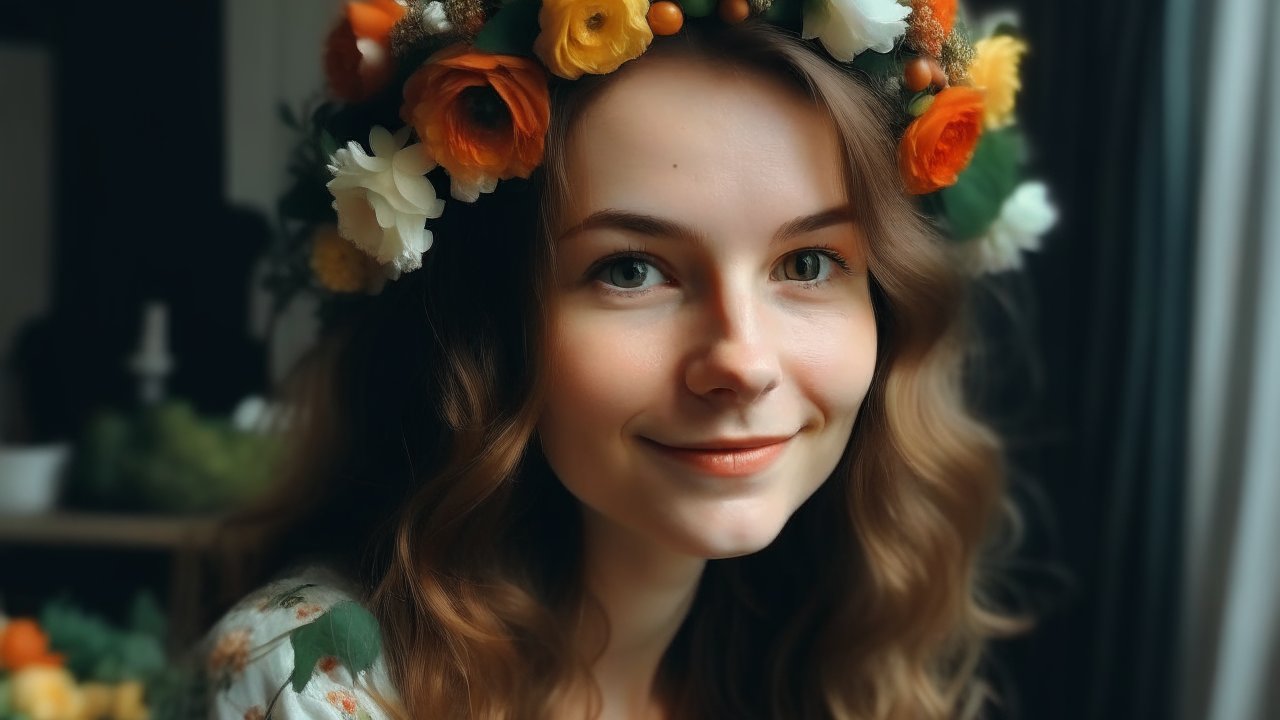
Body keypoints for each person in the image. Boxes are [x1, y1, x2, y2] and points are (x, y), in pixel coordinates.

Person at [205, 0, 1052, 718]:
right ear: (492, 327)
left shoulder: (811, 655)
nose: (742, 363)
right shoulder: (309, 676)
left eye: (807, 264)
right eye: (631, 271)